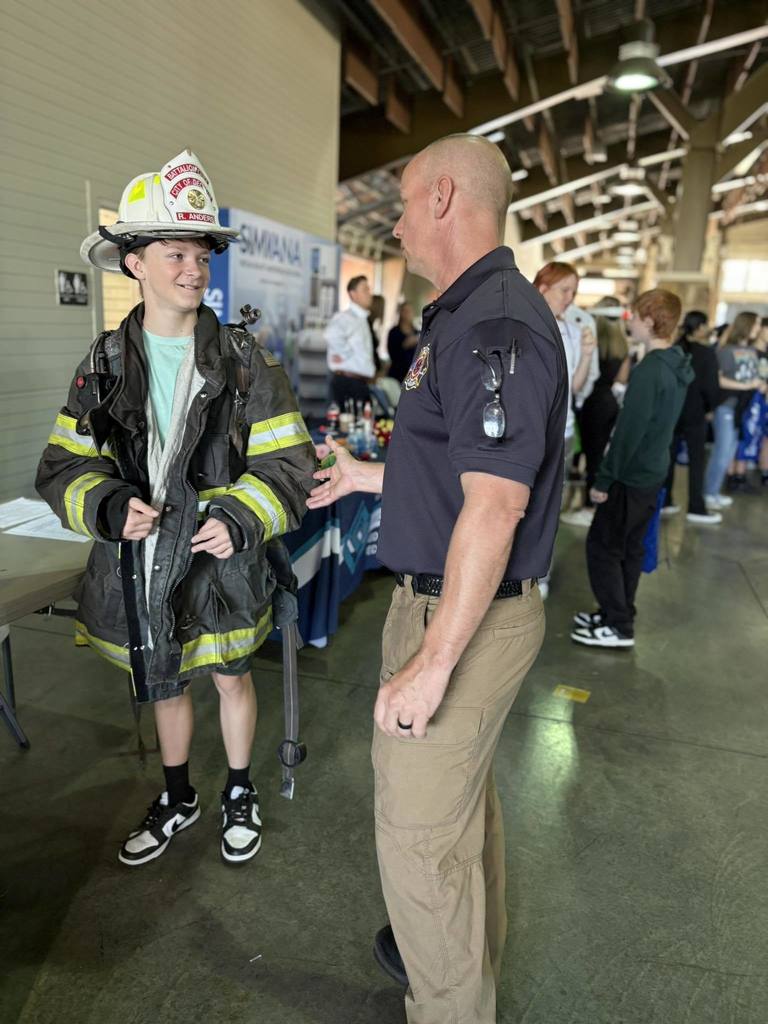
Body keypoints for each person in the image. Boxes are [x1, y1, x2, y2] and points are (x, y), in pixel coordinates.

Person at [308, 133, 567, 1024]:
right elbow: (461, 472)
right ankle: (469, 963)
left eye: (406, 202)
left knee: (419, 840)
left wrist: (433, 661)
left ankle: (452, 1002)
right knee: (459, 818)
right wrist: (363, 475)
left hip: (462, 616)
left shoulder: (495, 323)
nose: (398, 224)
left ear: (447, 198)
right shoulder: (462, 317)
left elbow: (494, 510)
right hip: (450, 605)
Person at [36, 150, 315, 866]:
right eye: (174, 253)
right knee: (163, 677)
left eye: (200, 253)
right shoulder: (101, 362)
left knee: (230, 675)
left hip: (222, 562)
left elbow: (289, 463)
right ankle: (179, 794)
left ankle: (241, 788)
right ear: (134, 262)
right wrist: (105, 502)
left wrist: (241, 519)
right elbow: (65, 464)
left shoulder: (248, 361)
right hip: (142, 561)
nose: (193, 269)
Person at [571, 289, 693, 649]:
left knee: (603, 547)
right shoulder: (676, 363)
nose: (631, 322)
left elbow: (627, 433)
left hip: (630, 474)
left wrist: (603, 479)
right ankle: (616, 612)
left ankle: (619, 624)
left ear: (651, 321)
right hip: (652, 471)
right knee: (629, 547)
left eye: (636, 316)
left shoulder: (651, 370)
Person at [533, 261, 598, 596]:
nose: (570, 298)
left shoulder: (572, 330)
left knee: (549, 503)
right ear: (542, 287)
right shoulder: (523, 324)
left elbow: (574, 386)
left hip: (562, 430)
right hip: (528, 430)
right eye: (564, 290)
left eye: (574, 291)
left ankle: (539, 574)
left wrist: (586, 354)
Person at [562, 310, 630, 527]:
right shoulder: (623, 348)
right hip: (609, 403)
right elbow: (622, 379)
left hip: (591, 403)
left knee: (590, 456)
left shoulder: (590, 345)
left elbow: (584, 375)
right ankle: (593, 503)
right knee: (599, 456)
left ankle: (590, 507)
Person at [661, 311, 722, 524]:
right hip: (696, 413)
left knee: (667, 458)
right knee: (697, 462)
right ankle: (696, 507)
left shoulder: (673, 350)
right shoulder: (706, 354)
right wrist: (710, 408)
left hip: (672, 412)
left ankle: (665, 501)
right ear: (699, 328)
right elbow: (711, 388)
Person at [703, 312, 762, 509]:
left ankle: (714, 492)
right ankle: (709, 493)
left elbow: (753, 377)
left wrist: (758, 384)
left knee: (728, 453)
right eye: (756, 324)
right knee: (721, 453)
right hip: (726, 406)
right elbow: (717, 379)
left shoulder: (752, 351)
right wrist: (746, 386)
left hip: (742, 410)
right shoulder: (726, 351)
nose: (758, 328)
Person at [728, 316, 768, 490]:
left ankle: (756, 474)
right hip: (746, 401)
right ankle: (735, 475)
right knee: (742, 437)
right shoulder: (747, 351)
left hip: (762, 402)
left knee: (760, 437)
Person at [324, 275, 375, 409]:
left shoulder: (362, 319)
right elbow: (331, 335)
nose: (369, 294)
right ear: (353, 294)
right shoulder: (346, 317)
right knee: (349, 427)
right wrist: (345, 355)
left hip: (359, 384)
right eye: (365, 290)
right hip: (348, 383)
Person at [387, 301, 420, 383]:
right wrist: (404, 345)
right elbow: (392, 355)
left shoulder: (418, 333)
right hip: (397, 375)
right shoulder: (394, 332)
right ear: (400, 313)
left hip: (413, 376)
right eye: (405, 311)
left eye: (410, 311)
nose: (408, 314)